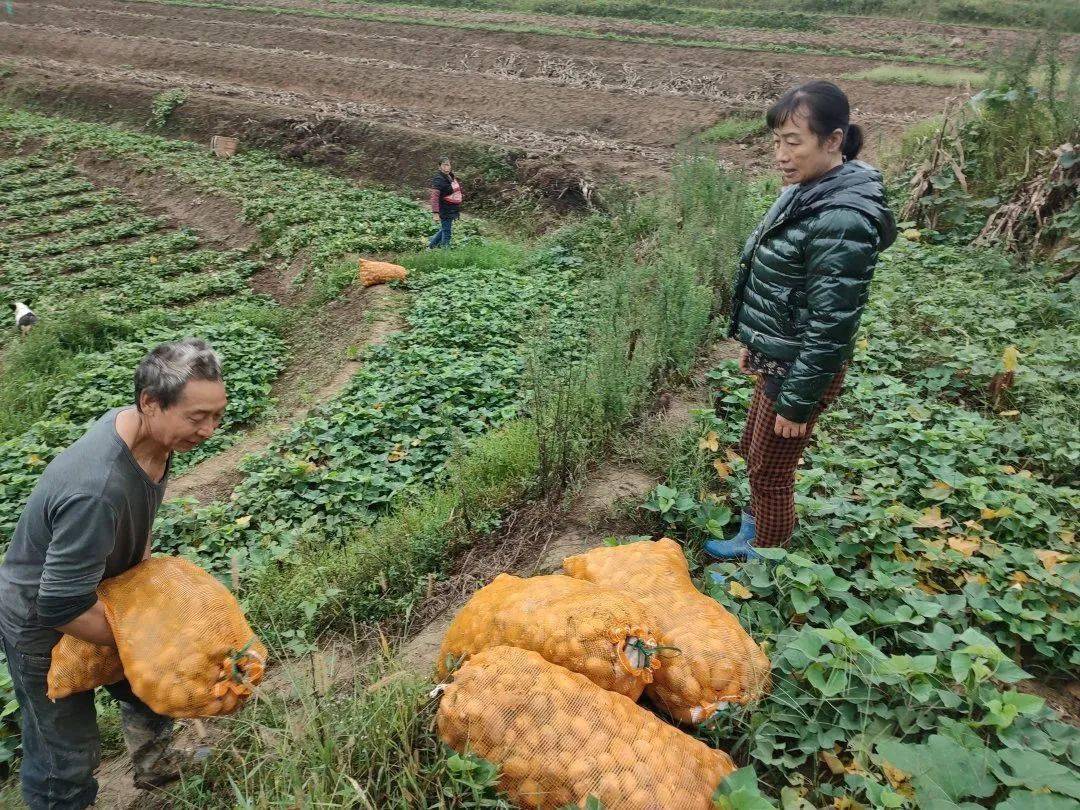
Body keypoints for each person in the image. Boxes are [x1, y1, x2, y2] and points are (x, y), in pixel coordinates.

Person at [0, 338, 228, 809]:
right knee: (66, 757)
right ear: (150, 402)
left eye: (217, 415)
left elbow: (134, 522)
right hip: (41, 620)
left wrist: (146, 612)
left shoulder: (147, 435)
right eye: (197, 417)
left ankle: (156, 764)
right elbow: (59, 604)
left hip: (98, 591)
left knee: (152, 683)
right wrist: (145, 637)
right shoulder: (96, 489)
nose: (209, 430)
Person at [706, 81, 896, 562]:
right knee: (754, 449)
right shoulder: (808, 189)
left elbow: (833, 325)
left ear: (832, 140)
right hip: (780, 356)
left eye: (794, 141)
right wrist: (757, 341)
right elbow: (782, 287)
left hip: (800, 370)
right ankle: (753, 532)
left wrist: (798, 402)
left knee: (771, 472)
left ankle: (766, 562)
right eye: (777, 141)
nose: (782, 154)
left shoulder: (843, 218)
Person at [428, 157, 463, 249]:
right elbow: (434, 196)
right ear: (439, 167)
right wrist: (435, 213)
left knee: (444, 229)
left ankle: (430, 247)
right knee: (447, 233)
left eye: (448, 165)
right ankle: (445, 254)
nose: (447, 167)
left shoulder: (450, 176)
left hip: (452, 209)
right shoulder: (438, 179)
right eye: (444, 165)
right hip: (445, 209)